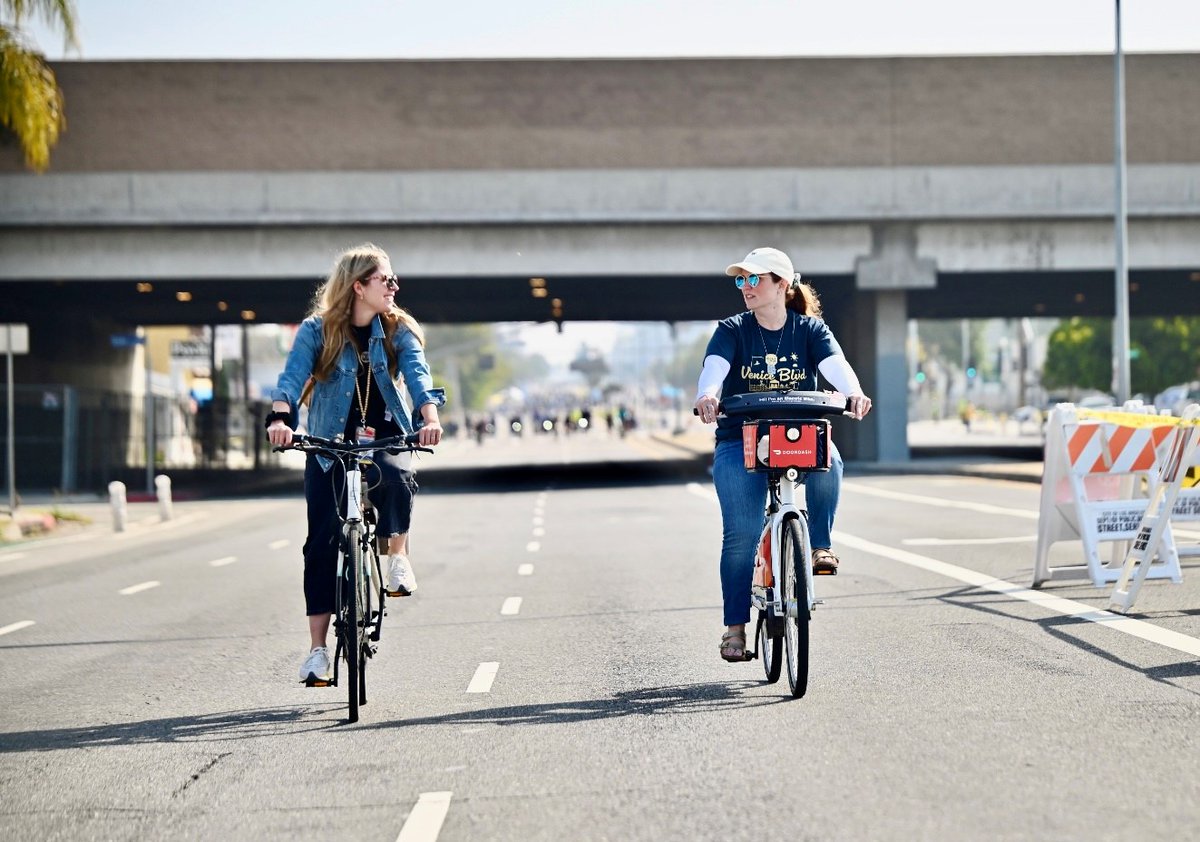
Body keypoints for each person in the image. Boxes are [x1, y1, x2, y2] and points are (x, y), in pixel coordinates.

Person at [266, 243, 445, 685]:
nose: (394, 285)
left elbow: (419, 374)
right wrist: (280, 417)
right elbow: (292, 377)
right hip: (328, 442)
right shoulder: (317, 330)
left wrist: (430, 417)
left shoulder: (398, 329)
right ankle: (318, 652)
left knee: (399, 473)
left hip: (384, 431)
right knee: (320, 546)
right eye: (386, 279)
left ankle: (397, 557)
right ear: (359, 285)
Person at [693, 247, 872, 663]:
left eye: (755, 279)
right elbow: (714, 368)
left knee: (833, 461)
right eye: (741, 280)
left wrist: (854, 393)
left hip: (798, 434)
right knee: (740, 536)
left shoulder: (810, 330)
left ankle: (819, 547)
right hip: (741, 438)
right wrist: (707, 395)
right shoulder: (732, 330)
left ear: (782, 285)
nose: (746, 287)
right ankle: (735, 629)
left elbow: (836, 366)